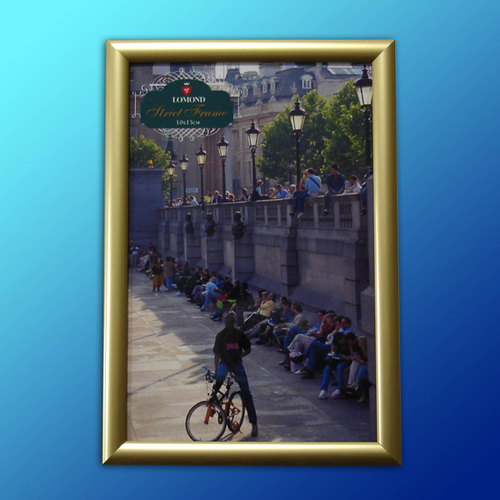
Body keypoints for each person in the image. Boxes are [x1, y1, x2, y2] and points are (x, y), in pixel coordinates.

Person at [212, 312, 259, 437]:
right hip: (225, 363)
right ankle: (213, 402)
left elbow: (248, 349)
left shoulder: (239, 334)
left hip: (237, 364)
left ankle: (254, 423)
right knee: (219, 379)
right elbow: (217, 354)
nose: (228, 324)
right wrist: (216, 371)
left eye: (230, 322)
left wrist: (240, 356)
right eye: (227, 322)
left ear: (233, 322)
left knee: (246, 393)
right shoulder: (221, 335)